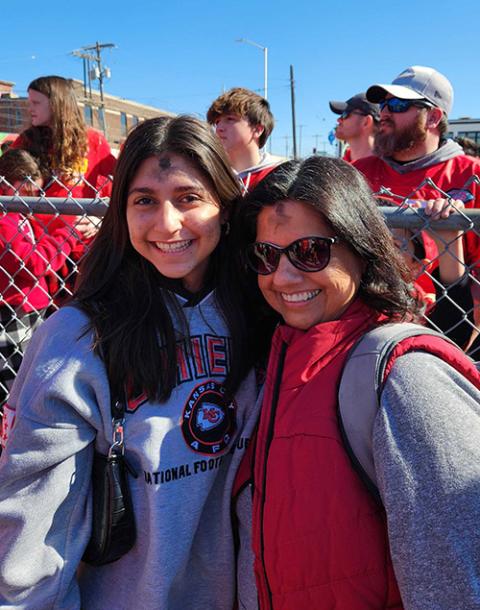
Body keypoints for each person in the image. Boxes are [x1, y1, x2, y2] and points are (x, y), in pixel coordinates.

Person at [0, 115, 267, 609]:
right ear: (121, 212)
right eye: (144, 200)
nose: (167, 224)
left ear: (225, 207)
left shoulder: (267, 313)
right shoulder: (76, 339)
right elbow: (31, 528)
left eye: (189, 198)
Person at [235, 156, 480, 609]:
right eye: (266, 255)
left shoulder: (405, 379)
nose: (283, 276)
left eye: (310, 251)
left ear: (360, 247)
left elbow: (459, 582)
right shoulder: (275, 362)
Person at [353, 66, 480, 353]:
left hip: (444, 332)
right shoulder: (359, 171)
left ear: (434, 116)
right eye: (383, 104)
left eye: (398, 105)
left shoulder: (469, 174)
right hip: (364, 325)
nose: (384, 113)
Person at [11, 75, 116, 302]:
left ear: (57, 104)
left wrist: (100, 221)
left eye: (36, 103)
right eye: (29, 102)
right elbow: (9, 186)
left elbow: (114, 194)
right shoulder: (26, 142)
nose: (30, 109)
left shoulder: (93, 141)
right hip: (40, 250)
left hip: (82, 251)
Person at [0, 149, 80, 407]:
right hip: (14, 313)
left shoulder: (18, 215)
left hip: (32, 309)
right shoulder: (3, 218)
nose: (36, 197)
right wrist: (68, 235)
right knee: (16, 386)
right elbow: (33, 262)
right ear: (15, 184)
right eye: (32, 189)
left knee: (32, 374)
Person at [206, 87, 283, 192]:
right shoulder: (208, 178)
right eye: (217, 122)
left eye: (230, 119)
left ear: (257, 129)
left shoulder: (280, 177)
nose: (219, 128)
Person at [329, 92, 380, 162]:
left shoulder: (392, 169)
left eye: (345, 114)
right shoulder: (339, 168)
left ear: (366, 122)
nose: (338, 120)